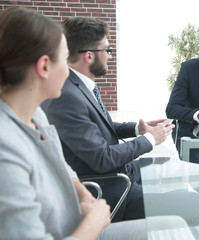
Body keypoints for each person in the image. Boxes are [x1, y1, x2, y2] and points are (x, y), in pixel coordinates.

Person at [0, 7, 147, 240]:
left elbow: (61, 165)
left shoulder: (33, 112)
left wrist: (86, 198)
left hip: (80, 224)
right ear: (44, 66)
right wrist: (94, 223)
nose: (68, 72)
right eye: (64, 59)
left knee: (174, 224)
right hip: (82, 232)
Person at [41, 17, 175, 222]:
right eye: (108, 50)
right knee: (195, 204)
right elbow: (103, 159)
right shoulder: (67, 97)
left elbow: (98, 126)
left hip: (123, 173)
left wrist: (138, 130)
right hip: (111, 191)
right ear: (89, 56)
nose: (110, 56)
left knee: (175, 169)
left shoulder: (79, 85)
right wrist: (150, 139)